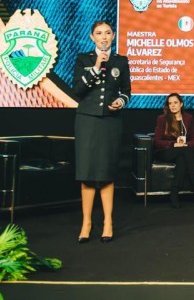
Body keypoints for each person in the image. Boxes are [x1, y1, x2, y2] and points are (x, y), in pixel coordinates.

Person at [73, 20, 130, 244]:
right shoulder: (83, 59)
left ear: (113, 35)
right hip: (87, 121)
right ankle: (86, 223)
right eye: (99, 33)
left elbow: (127, 91)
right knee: (87, 173)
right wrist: (96, 67)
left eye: (107, 33)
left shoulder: (121, 61)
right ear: (92, 37)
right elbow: (78, 90)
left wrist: (120, 101)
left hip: (110, 122)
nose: (104, 37)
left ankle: (108, 222)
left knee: (106, 172)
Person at [153, 93, 194, 208]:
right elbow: (157, 141)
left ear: (181, 104)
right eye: (170, 103)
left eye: (175, 103)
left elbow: (193, 140)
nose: (172, 106)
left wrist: (185, 144)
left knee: (182, 158)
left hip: (182, 152)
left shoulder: (188, 118)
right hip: (165, 152)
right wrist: (174, 144)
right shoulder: (162, 119)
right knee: (185, 151)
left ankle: (174, 194)